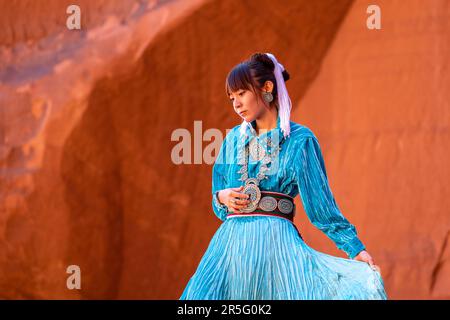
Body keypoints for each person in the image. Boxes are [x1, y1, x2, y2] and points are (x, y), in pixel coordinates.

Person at [180, 52, 387, 299]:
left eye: (242, 93)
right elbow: (219, 204)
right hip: (230, 251)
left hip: (277, 251)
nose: (235, 103)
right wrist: (222, 196)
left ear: (267, 87)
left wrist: (355, 249)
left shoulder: (300, 140)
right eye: (231, 97)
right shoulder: (233, 139)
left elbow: (322, 208)